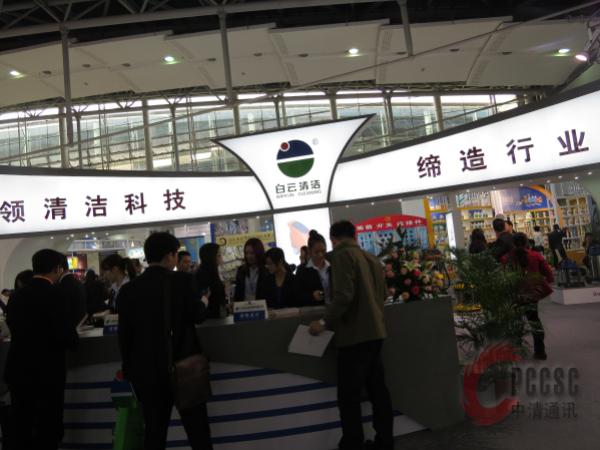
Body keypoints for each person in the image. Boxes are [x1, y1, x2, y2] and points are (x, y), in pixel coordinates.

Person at [117, 232, 213, 450]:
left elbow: (125, 336)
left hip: (147, 373)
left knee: (154, 433)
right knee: (198, 433)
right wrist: (204, 301)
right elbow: (197, 315)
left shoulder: (129, 290)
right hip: (184, 368)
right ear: (170, 256)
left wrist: (130, 371)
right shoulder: (183, 281)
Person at [309, 221, 393, 450]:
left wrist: (323, 322)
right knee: (378, 391)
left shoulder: (341, 256)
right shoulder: (370, 258)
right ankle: (385, 440)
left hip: (354, 336)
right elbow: (383, 295)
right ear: (354, 235)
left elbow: (343, 296)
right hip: (376, 332)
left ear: (333, 239)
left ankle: (352, 443)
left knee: (348, 396)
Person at [5, 249, 79, 450]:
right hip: (47, 372)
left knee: (22, 422)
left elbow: (12, 325)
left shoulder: (17, 295)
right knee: (48, 425)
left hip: (18, 369)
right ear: (57, 269)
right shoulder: (57, 294)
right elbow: (66, 335)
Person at [501, 233, 554, 360]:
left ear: (513, 244)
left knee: (516, 323)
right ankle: (540, 351)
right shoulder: (536, 255)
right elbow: (549, 275)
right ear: (526, 243)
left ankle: (516, 351)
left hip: (515, 295)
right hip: (532, 294)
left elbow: (503, 278)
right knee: (534, 321)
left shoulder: (506, 258)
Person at [296, 230, 331, 305]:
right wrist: (312, 296)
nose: (320, 255)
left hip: (334, 308)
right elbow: (297, 295)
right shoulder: (302, 270)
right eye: (316, 252)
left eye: (323, 251)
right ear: (309, 251)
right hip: (314, 309)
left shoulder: (332, 266)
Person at [196, 243, 227, 318]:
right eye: (219, 255)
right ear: (211, 257)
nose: (222, 258)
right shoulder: (203, 275)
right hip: (210, 319)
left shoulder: (212, 272)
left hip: (216, 316)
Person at [59, 256, 87, 328]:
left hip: (69, 327)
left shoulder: (63, 285)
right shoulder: (76, 281)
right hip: (79, 325)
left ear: (59, 269)